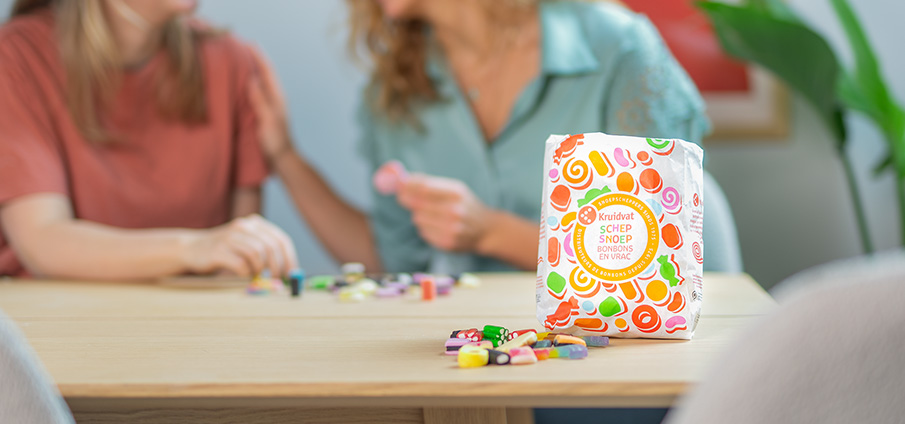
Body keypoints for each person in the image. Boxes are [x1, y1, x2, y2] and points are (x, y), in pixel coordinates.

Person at [251, 0, 737, 275]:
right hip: (497, 364)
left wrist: (488, 231)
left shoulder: (618, 50)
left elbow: (660, 256)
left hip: (637, 357)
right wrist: (286, 158)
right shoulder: (398, 90)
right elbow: (390, 261)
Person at [0, 0, 298, 280]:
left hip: (194, 323)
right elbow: (42, 240)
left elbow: (239, 260)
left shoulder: (233, 63)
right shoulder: (16, 58)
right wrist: (194, 248)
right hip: (55, 322)